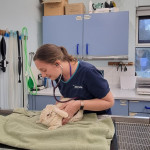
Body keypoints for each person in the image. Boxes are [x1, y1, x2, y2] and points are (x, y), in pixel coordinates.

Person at [34, 44, 114, 125]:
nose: (43, 75)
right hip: (79, 121)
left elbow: (109, 102)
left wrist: (79, 105)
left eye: (44, 70)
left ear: (57, 64)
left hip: (98, 120)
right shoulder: (58, 74)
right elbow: (67, 94)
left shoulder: (88, 72)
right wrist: (57, 110)